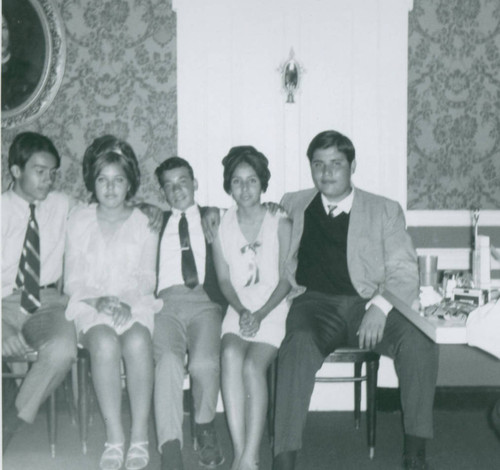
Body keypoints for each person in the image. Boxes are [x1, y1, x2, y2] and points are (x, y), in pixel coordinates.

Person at [271, 130, 439, 470]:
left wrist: (379, 307)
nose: (327, 172)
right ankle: (284, 460)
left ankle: (415, 453)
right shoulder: (293, 202)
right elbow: (252, 213)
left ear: (352, 166)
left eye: (336, 163)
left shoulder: (384, 210)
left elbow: (405, 272)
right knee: (296, 346)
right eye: (318, 164)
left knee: (421, 340)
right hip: (315, 306)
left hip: (370, 302)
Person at [64, 135, 162, 470]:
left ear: (130, 183)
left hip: (133, 304)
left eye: (118, 180)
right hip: (89, 306)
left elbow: (148, 279)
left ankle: (139, 436)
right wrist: (98, 300)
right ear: (92, 181)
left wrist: (128, 305)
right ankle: (115, 436)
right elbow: (72, 280)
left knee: (137, 340)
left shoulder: (145, 223)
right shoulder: (78, 220)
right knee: (104, 344)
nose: (110, 188)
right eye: (102, 180)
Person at [212, 146, 292, 470]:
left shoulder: (280, 222)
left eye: (252, 181)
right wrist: (243, 311)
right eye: (237, 182)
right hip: (239, 306)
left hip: (273, 307)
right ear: (229, 186)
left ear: (263, 184)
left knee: (251, 367)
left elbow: (287, 280)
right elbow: (223, 279)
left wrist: (259, 314)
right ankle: (240, 450)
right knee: (230, 354)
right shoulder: (219, 224)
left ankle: (250, 457)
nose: (245, 189)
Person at [2, 132, 77, 448]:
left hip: (46, 302)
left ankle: (10, 422)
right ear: (17, 171)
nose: (49, 180)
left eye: (53, 173)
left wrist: (146, 208)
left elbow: (106, 213)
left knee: (63, 349)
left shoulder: (62, 204)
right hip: (2, 302)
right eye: (40, 171)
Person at [153, 157, 227, 470]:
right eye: (168, 185)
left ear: (195, 183)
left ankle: (205, 427)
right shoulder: (154, 221)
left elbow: (256, 216)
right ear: (162, 193)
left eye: (182, 181)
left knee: (204, 363)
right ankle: (170, 444)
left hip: (204, 301)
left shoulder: (216, 217)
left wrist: (276, 207)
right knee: (168, 361)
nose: (177, 189)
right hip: (164, 304)